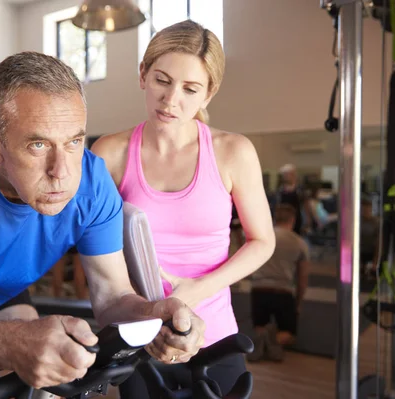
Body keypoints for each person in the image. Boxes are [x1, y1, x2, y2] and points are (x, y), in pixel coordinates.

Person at [0, 51, 207, 398]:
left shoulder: (92, 181)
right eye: (38, 144)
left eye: (74, 141)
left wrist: (153, 314)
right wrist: (11, 342)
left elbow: (113, 298)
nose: (62, 172)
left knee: (47, 391)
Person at [90, 20, 275, 397]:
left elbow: (262, 240)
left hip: (214, 333)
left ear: (209, 93)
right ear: (143, 74)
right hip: (142, 334)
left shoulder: (232, 152)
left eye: (190, 89)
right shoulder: (109, 153)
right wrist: (141, 312)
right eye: (162, 80)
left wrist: (193, 291)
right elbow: (97, 247)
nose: (171, 100)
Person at [247, 204, 309, 362]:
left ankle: (264, 339)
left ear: (274, 218)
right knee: (289, 334)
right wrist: (299, 302)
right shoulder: (299, 243)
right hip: (284, 291)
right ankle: (273, 341)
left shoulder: (263, 237)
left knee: (259, 327)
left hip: (259, 288)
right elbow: (302, 279)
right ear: (293, 220)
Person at [273, 164, 305, 235]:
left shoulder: (299, 190)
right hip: (282, 220)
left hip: (296, 220)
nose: (286, 177)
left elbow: (305, 206)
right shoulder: (280, 191)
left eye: (287, 174)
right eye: (284, 175)